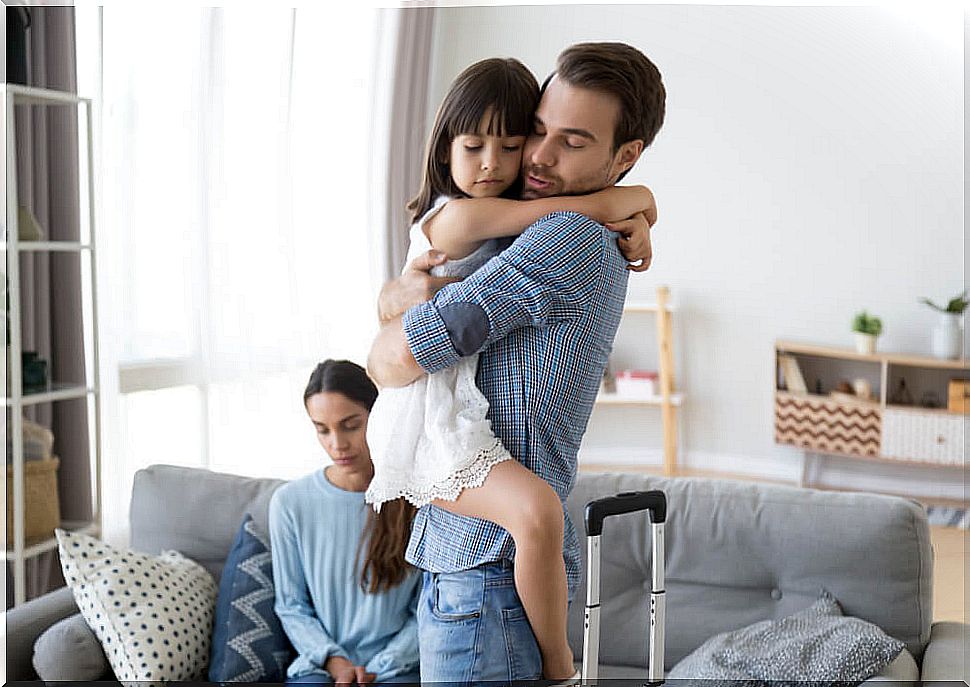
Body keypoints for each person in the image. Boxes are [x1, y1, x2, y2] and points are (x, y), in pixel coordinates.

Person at [367, 42, 666, 684]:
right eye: (538, 130)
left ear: (625, 154)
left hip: (486, 578)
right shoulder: (561, 223)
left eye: (573, 142)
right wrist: (635, 200)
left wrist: (389, 318)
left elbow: (391, 364)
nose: (534, 156)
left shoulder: (566, 239)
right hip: (482, 572)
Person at [269, 360, 421, 685]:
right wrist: (335, 662)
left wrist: (381, 666)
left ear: (377, 417)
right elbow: (292, 605)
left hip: (397, 670)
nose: (336, 444)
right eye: (322, 429)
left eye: (350, 425)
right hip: (319, 668)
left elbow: (426, 608)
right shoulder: (289, 503)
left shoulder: (417, 497)